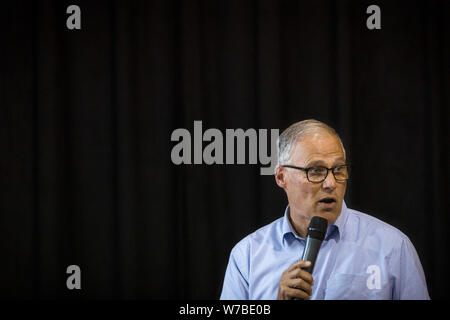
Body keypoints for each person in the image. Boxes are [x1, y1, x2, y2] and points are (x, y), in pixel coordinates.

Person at [220, 119, 430, 300]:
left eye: (338, 169)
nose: (330, 183)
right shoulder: (247, 256)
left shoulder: (393, 247)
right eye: (316, 170)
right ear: (281, 177)